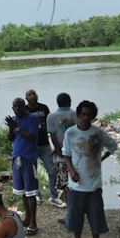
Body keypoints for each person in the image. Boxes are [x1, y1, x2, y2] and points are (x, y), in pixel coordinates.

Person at [61, 101, 117, 238]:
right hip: (76, 185)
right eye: (83, 114)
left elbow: (113, 146)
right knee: (75, 217)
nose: (85, 117)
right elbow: (66, 154)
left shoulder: (98, 134)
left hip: (93, 186)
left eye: (89, 115)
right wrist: (71, 169)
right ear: (78, 115)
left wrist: (100, 159)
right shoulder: (70, 133)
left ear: (93, 116)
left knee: (95, 217)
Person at [5, 97, 39, 235]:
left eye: (19, 106)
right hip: (16, 158)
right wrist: (11, 128)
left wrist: (16, 127)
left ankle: (34, 223)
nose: (17, 109)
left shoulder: (32, 119)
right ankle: (27, 218)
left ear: (25, 106)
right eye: (15, 106)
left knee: (31, 192)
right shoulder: (14, 119)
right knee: (23, 192)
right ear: (12, 108)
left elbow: (31, 136)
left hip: (28, 158)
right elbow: (10, 138)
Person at [24, 89, 62, 208]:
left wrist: (55, 143)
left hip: (45, 145)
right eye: (30, 95)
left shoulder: (44, 108)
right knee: (33, 172)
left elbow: (50, 125)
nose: (32, 96)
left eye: (34, 94)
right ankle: (37, 195)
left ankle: (54, 197)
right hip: (32, 146)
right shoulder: (24, 110)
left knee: (51, 170)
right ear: (26, 98)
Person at [46, 92, 78, 224]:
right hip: (76, 156)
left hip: (61, 159)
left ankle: (70, 215)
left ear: (57, 103)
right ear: (69, 102)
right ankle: (80, 213)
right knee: (79, 184)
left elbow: (52, 136)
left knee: (65, 187)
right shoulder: (76, 114)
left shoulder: (51, 116)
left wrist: (59, 151)